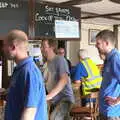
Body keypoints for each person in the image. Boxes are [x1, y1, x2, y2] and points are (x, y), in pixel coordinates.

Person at [3, 29, 48, 120]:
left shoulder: (29, 72)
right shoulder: (19, 69)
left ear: (13, 47)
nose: (3, 49)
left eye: (4, 45)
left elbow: (30, 111)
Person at [41, 39, 74, 120]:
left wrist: (50, 96)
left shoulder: (59, 60)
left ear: (52, 47)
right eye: (41, 46)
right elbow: (42, 82)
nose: (41, 49)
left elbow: (64, 80)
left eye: (43, 46)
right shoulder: (46, 64)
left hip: (65, 99)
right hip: (54, 101)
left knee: (54, 118)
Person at [96, 29, 120, 120]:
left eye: (98, 43)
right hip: (105, 109)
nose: (95, 45)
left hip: (112, 112)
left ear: (106, 43)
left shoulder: (115, 58)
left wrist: (117, 101)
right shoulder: (108, 59)